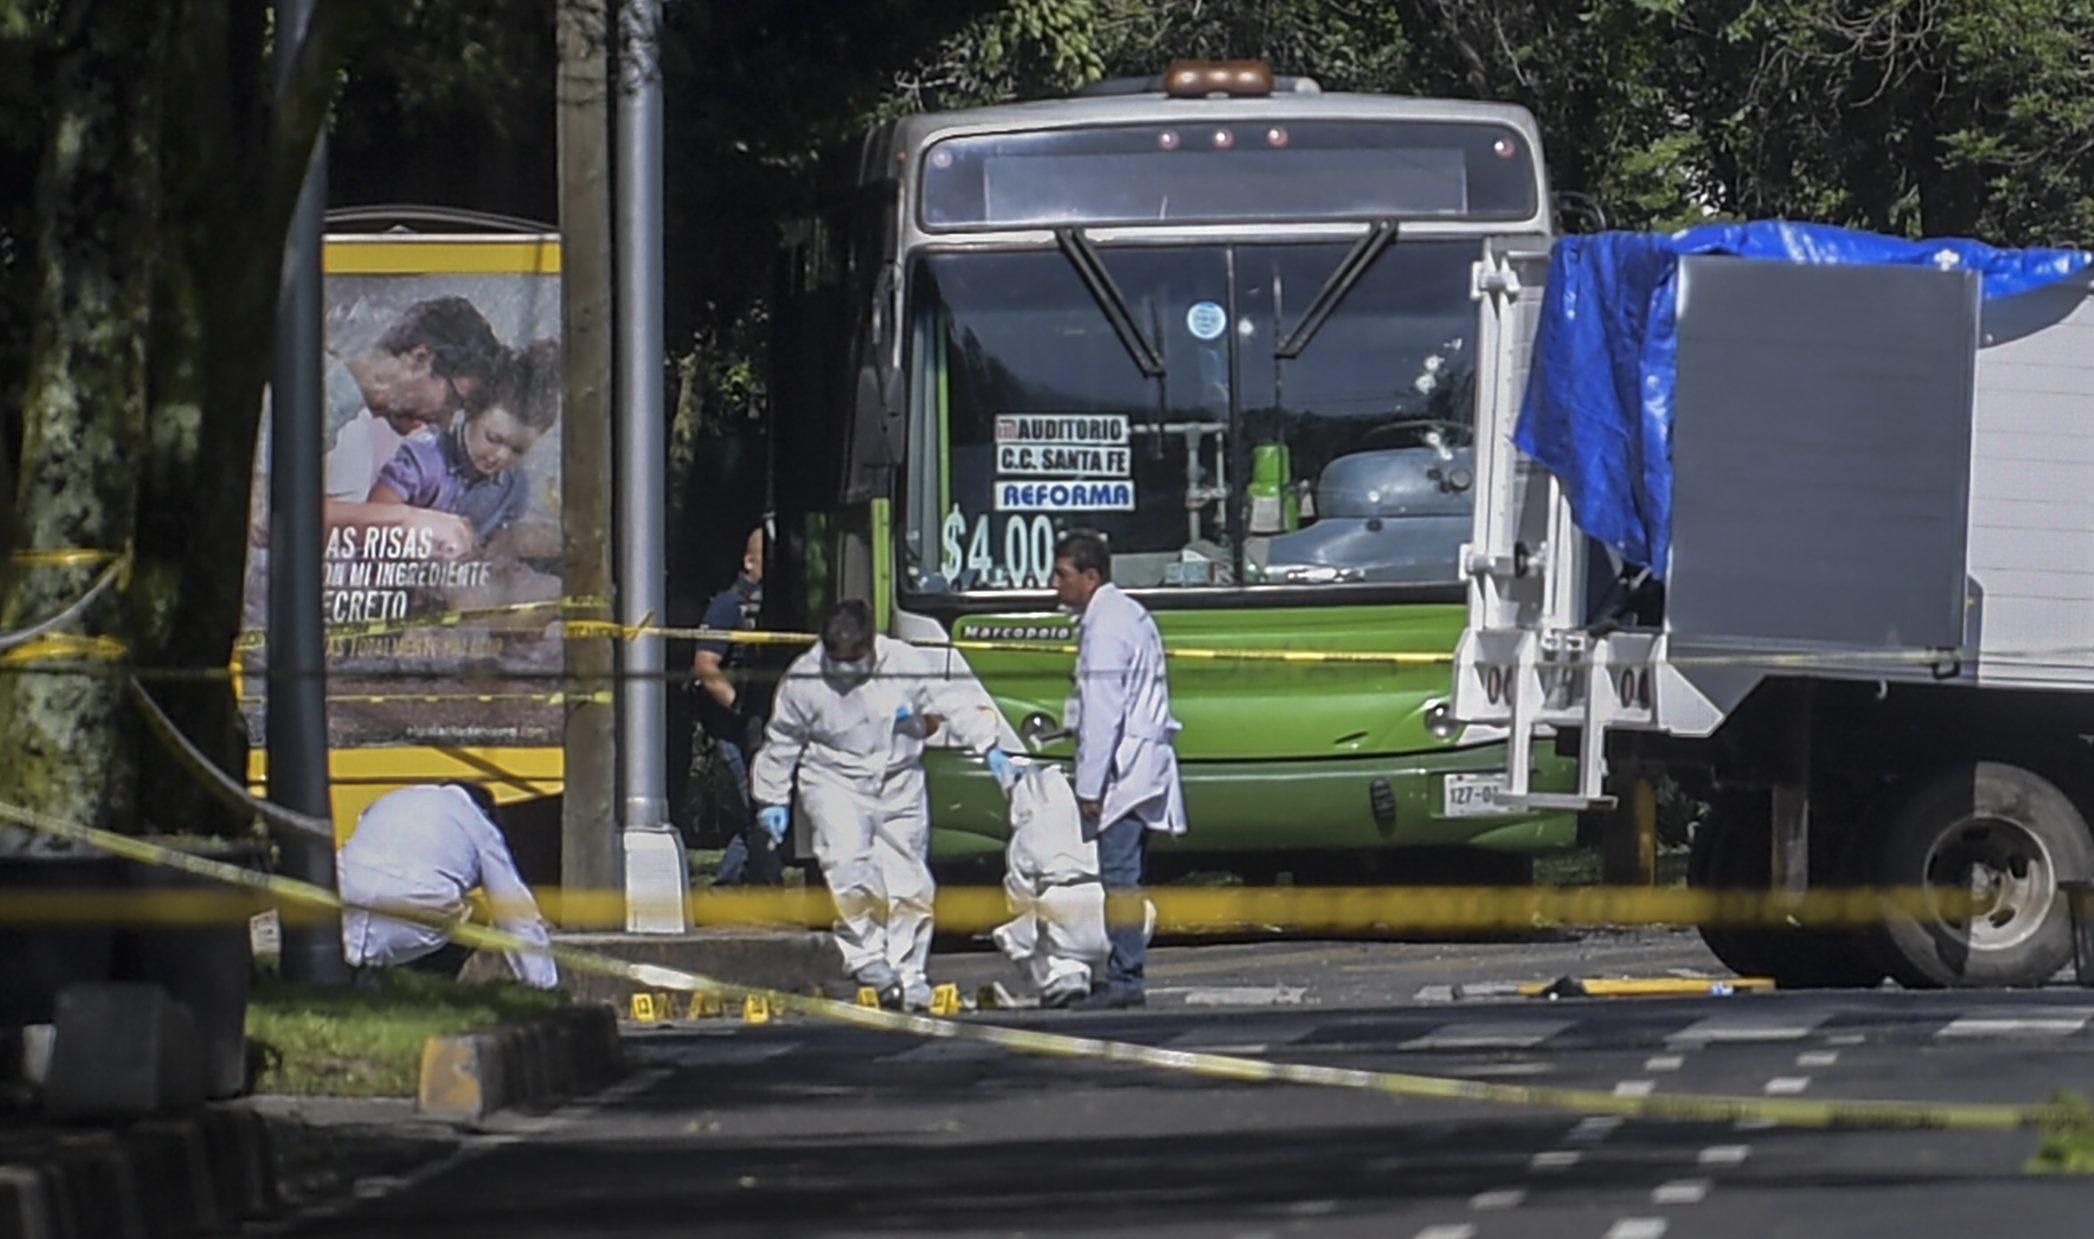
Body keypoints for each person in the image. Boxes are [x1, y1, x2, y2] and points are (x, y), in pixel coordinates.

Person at [750, 600, 1017, 1011]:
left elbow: (950, 703)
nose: (846, 670)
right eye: (838, 660)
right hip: (833, 779)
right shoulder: (804, 680)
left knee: (910, 881)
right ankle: (867, 956)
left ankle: (908, 975)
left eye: (855, 658)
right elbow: (783, 742)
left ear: (871, 645)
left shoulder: (903, 661)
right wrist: (771, 797)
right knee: (848, 866)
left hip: (898, 779)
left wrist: (989, 746)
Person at [1052, 530, 1185, 1009]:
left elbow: (1103, 712)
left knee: (1120, 879)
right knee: (1124, 875)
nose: (1055, 584)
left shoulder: (1107, 626)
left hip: (1122, 771)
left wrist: (1090, 787)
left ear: (1090, 576)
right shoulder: (1120, 614)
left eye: (1063, 574)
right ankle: (1125, 974)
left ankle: (1127, 980)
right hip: (1135, 764)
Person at [337, 783, 558, 989]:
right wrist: (543, 987)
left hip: (343, 906)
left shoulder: (394, 799)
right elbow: (515, 914)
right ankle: (428, 992)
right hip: (411, 924)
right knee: (476, 914)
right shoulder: (479, 825)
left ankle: (375, 982)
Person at [322, 297, 506, 541]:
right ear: (420, 358)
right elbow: (267, 514)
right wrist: (405, 520)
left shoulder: (343, 407)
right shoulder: (318, 390)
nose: (445, 422)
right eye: (453, 400)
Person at [363, 339, 560, 550]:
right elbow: (372, 519)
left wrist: (499, 554)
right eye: (493, 439)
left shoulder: (513, 485)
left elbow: (501, 536)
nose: (501, 455)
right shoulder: (424, 458)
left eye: (517, 450)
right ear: (471, 413)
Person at [695, 527, 779, 886]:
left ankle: (729, 884)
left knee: (757, 809)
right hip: (733, 727)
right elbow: (704, 664)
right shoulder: (728, 605)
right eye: (764, 560)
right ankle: (745, 885)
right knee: (755, 807)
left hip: (762, 723)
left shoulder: (773, 604)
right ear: (748, 561)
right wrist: (737, 707)